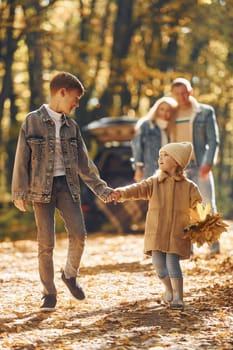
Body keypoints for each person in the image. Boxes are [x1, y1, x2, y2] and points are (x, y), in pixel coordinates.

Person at [11, 71, 113, 311]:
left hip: (67, 186)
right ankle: (49, 292)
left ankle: (69, 275)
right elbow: (21, 158)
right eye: (75, 98)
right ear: (62, 92)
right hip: (40, 189)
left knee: (79, 234)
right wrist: (19, 192)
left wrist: (102, 189)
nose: (77, 103)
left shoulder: (72, 126)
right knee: (45, 243)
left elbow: (84, 164)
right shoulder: (32, 121)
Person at [106, 142, 202, 309]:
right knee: (159, 266)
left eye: (165, 155)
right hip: (156, 232)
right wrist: (121, 192)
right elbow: (137, 189)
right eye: (159, 156)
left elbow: (198, 207)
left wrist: (201, 223)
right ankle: (168, 290)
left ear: (177, 161)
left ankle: (178, 297)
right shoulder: (154, 182)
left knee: (172, 263)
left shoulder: (189, 187)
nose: (160, 159)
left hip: (177, 233)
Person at [171, 77, 220, 256]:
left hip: (200, 165)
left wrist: (208, 163)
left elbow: (213, 140)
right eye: (178, 94)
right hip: (180, 169)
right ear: (173, 95)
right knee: (183, 209)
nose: (182, 96)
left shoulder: (205, 112)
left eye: (185, 92)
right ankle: (187, 249)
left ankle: (213, 247)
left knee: (207, 205)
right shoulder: (171, 114)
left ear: (190, 91)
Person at [131, 96, 177, 182]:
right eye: (162, 109)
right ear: (156, 109)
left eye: (168, 110)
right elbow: (137, 147)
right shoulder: (146, 125)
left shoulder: (172, 128)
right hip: (149, 171)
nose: (164, 113)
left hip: (168, 172)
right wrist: (138, 168)